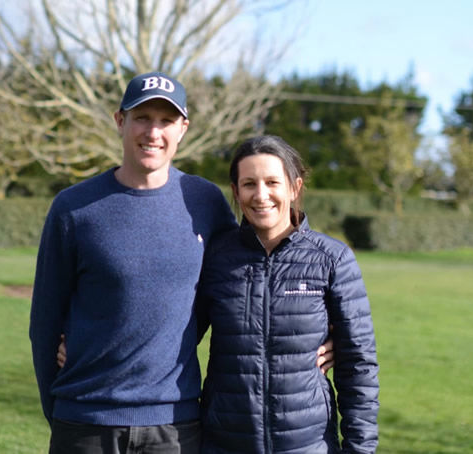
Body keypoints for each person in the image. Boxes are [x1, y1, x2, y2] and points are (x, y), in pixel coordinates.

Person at [31, 71, 333, 454]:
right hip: (86, 421)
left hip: (175, 426)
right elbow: (44, 322)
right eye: (142, 117)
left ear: (183, 128)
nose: (153, 132)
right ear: (120, 121)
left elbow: (250, 277)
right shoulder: (73, 208)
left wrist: (325, 327)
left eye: (166, 121)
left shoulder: (204, 202)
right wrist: (57, 410)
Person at [196, 135, 379, 453]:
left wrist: (359, 448)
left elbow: (358, 366)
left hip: (308, 445)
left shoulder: (332, 259)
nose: (261, 195)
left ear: (294, 187)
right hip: (224, 444)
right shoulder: (215, 258)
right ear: (236, 193)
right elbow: (177, 341)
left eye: (272, 182)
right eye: (249, 184)